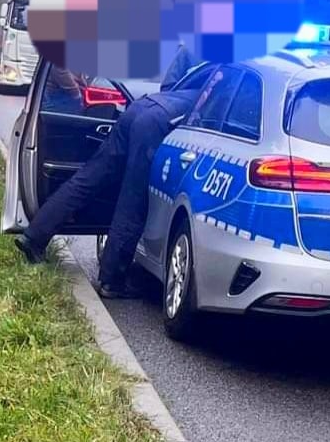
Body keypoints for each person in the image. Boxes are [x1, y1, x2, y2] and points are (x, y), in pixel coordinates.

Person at [15, 46, 209, 295]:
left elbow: (168, 85)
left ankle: (34, 236)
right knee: (133, 199)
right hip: (159, 123)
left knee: (89, 176)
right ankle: (112, 280)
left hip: (142, 108)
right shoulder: (232, 63)